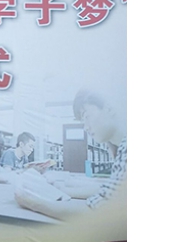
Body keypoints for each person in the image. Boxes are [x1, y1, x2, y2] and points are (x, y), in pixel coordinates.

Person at [15, 89, 126, 219]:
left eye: (87, 117)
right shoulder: (123, 148)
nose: (86, 128)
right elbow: (109, 191)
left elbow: (100, 214)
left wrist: (33, 202)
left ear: (108, 107)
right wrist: (64, 189)